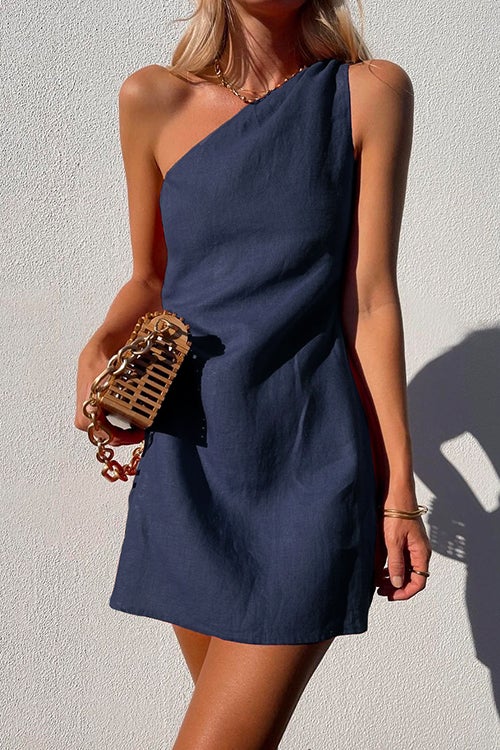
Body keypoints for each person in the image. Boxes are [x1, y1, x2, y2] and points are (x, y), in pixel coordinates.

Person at [75, 1, 432, 747]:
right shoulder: (152, 98)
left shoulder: (369, 93)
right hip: (191, 462)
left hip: (310, 463)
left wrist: (398, 492)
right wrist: (97, 347)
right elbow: (149, 279)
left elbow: (370, 300)